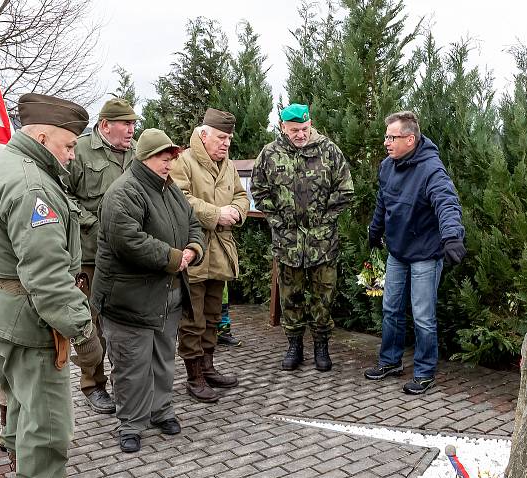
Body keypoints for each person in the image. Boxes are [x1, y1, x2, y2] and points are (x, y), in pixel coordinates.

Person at [0, 93, 101, 478]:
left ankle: (28, 474)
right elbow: (47, 277)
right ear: (41, 135)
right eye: (66, 144)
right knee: (46, 409)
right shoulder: (32, 186)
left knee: (20, 397)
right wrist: (83, 332)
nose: (71, 152)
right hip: (28, 317)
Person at [92, 128, 204, 453]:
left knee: (163, 358)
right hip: (128, 300)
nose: (168, 163)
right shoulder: (123, 191)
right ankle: (131, 423)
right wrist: (174, 258)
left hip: (166, 297)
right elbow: (127, 241)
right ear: (144, 156)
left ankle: (161, 411)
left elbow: (192, 223)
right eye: (161, 156)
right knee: (130, 365)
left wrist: (194, 249)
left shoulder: (171, 190)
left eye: (170, 157)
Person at [365, 111, 466, 395]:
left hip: (425, 253)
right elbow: (383, 203)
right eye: (386, 136)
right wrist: (374, 231)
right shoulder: (387, 166)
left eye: (392, 137)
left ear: (410, 139)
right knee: (391, 308)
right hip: (397, 251)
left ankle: (424, 372)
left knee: (422, 314)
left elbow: (447, 204)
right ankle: (390, 361)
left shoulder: (431, 169)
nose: (386, 142)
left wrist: (452, 237)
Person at [250, 103, 353, 372]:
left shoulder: (328, 150)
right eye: (294, 130)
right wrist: (277, 221)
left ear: (311, 124)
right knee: (290, 297)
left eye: (304, 129)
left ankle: (322, 347)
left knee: (323, 297)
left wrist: (324, 221)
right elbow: (259, 192)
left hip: (323, 243)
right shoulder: (270, 154)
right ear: (283, 128)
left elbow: (345, 190)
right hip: (287, 243)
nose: (300, 135)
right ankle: (294, 346)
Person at [65, 97, 140, 414]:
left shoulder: (136, 151)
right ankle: (93, 384)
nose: (131, 130)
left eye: (134, 124)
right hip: (92, 254)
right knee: (92, 323)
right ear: (105, 125)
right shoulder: (80, 150)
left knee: (126, 320)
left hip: (129, 252)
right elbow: (63, 194)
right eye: (126, 124)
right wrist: (95, 224)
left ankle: (128, 382)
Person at [171, 108, 248, 403]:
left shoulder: (227, 165)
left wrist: (237, 212)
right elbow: (181, 200)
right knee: (193, 319)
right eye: (221, 137)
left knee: (213, 316)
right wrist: (216, 213)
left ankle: (208, 366)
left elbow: (241, 196)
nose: (226, 143)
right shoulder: (184, 162)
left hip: (221, 252)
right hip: (194, 250)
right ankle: (194, 377)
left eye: (228, 138)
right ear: (203, 135)